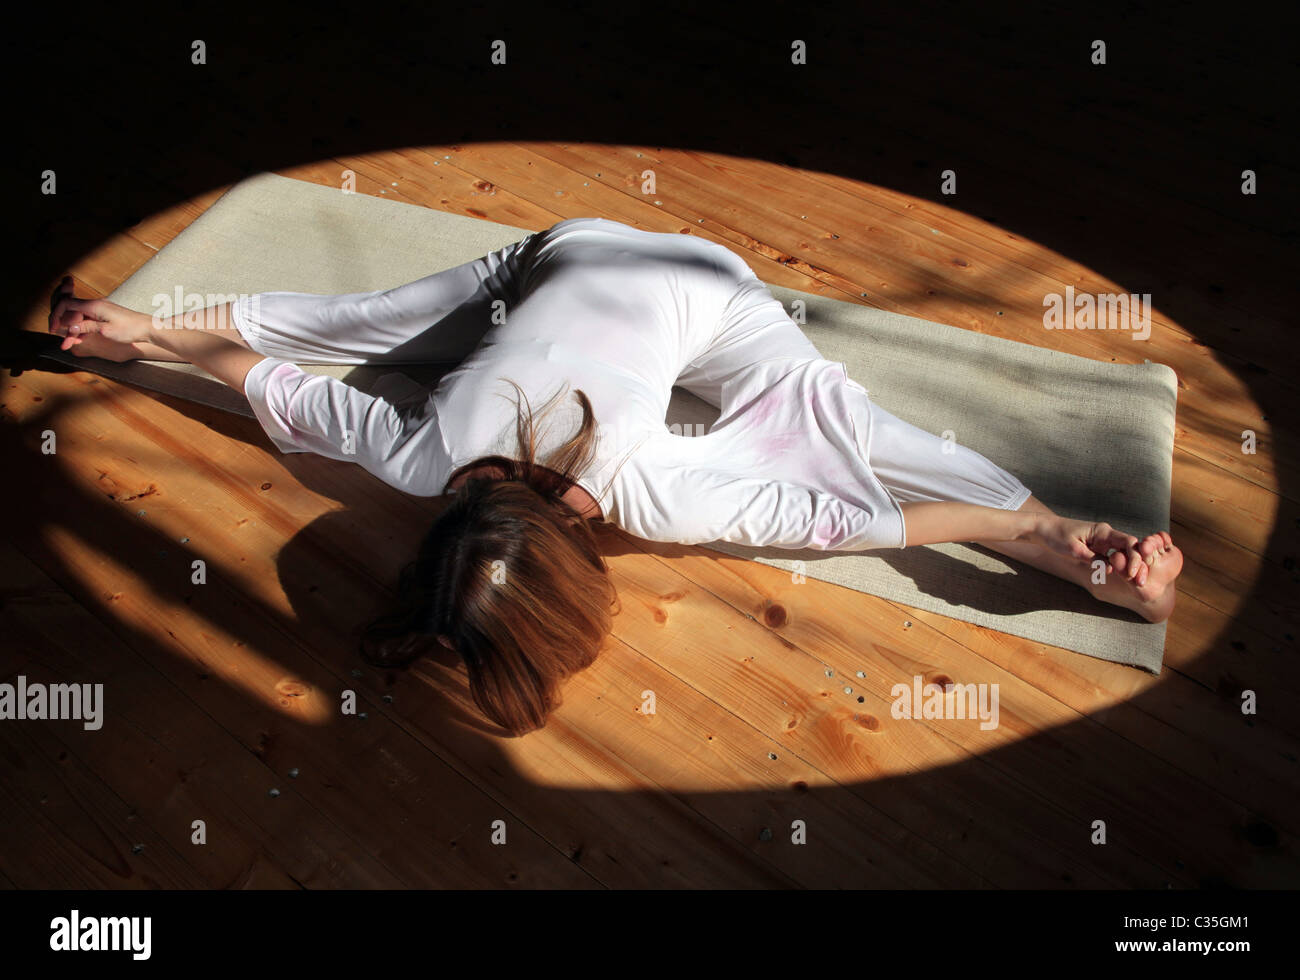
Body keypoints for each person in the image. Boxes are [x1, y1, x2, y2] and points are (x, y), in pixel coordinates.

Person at [47, 216, 1182, 735]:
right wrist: (151, 337)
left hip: (708, 292)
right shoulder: (415, 453)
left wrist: (1041, 537)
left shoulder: (652, 490)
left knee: (825, 423)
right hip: (567, 248)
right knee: (373, 326)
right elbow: (258, 374)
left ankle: (1075, 545)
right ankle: (129, 320)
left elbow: (875, 518)